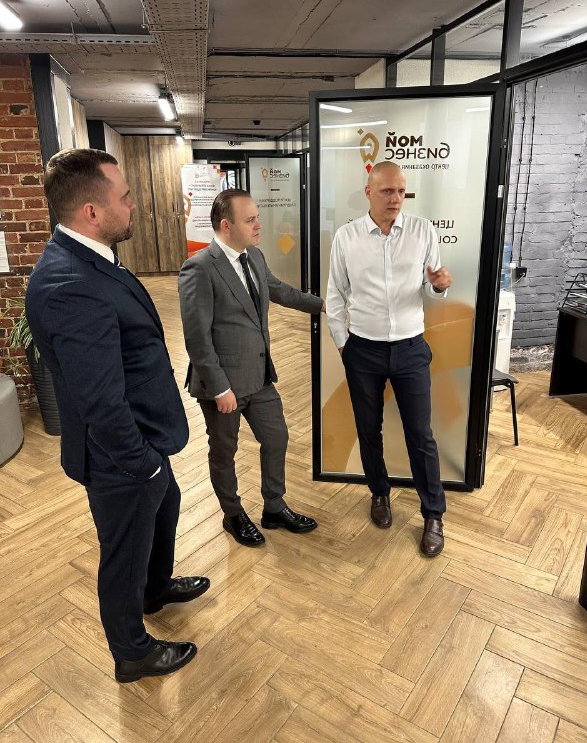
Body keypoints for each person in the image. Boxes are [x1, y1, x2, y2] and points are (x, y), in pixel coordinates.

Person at [26, 148, 209, 683]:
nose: (134, 206)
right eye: (125, 198)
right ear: (91, 211)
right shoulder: (68, 285)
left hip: (145, 437)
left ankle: (155, 590)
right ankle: (132, 652)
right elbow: (99, 401)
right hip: (120, 456)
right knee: (124, 553)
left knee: (165, 511)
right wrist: (142, 464)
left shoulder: (91, 257)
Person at [179, 189, 324, 547]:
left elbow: (279, 290)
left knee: (277, 438)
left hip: (258, 377)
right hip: (222, 385)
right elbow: (197, 338)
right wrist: (219, 388)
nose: (259, 225)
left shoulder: (254, 256)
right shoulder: (199, 267)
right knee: (224, 452)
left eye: (257, 217)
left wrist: (322, 305)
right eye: (250, 220)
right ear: (226, 225)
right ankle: (233, 514)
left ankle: (274, 507)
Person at [326, 161, 452, 556]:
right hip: (363, 350)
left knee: (421, 435)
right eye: (386, 191)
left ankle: (433, 514)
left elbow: (431, 287)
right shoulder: (347, 237)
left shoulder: (422, 231)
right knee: (368, 429)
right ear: (369, 192)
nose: (395, 198)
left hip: (410, 348)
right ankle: (379, 493)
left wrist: (438, 287)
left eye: (400, 191)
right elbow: (335, 294)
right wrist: (343, 344)